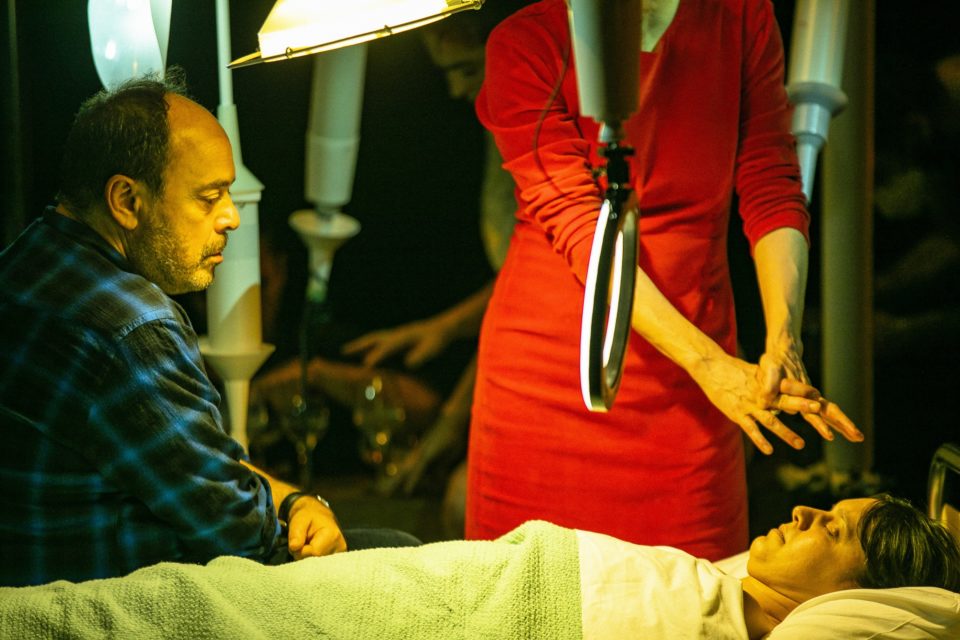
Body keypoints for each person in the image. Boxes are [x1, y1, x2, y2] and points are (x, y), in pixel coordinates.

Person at [466, 0, 865, 560]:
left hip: (691, 396)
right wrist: (710, 365)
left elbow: (772, 182)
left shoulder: (740, 18)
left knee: (700, 589)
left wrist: (784, 338)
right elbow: (583, 227)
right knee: (530, 588)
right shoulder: (527, 41)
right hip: (554, 379)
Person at [0, 72, 417, 588]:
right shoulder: (133, 328)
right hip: (119, 600)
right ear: (126, 200)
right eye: (209, 196)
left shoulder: (21, 263)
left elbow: (210, 469)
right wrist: (298, 507)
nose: (232, 218)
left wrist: (294, 498)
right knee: (401, 553)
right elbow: (242, 536)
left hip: (39, 581)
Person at [1, 493, 957, 639]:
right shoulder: (728, 582)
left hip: (497, 611)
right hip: (484, 578)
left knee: (206, 609)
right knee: (219, 594)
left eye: (835, 530)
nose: (806, 511)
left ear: (858, 596)